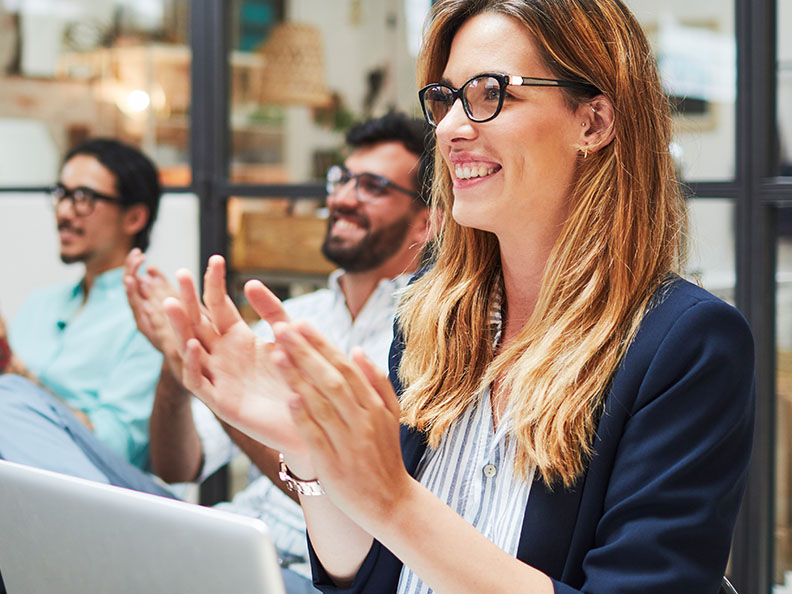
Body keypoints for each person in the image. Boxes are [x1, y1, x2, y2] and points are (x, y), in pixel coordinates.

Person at [164, 1, 755, 592]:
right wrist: (304, 446)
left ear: (594, 122)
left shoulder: (688, 344)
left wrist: (396, 504)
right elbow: (365, 579)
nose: (448, 128)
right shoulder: (429, 314)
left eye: (490, 93)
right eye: (446, 98)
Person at [124, 113, 433, 592]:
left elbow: (361, 502)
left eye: (372, 186)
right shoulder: (288, 315)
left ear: (425, 221)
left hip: (310, 572)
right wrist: (178, 362)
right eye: (342, 179)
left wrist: (226, 394)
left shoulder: (426, 342)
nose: (343, 198)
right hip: (228, 535)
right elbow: (178, 466)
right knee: (24, 410)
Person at [0, 138, 168, 494]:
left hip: (109, 492)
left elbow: (115, 449)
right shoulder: (40, 304)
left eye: (84, 198)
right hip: (22, 488)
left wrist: (20, 380)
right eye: (62, 193)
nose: (63, 212)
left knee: (7, 399)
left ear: (134, 217)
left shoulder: (155, 318)